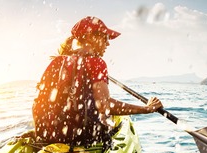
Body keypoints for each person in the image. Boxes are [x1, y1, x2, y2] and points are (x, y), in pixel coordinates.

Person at [33, 16, 163, 146]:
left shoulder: (57, 61)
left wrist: (42, 133)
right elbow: (105, 105)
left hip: (49, 136)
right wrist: (146, 109)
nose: (107, 43)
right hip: (81, 139)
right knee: (108, 122)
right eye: (105, 38)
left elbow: (39, 104)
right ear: (90, 37)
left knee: (98, 117)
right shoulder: (97, 63)